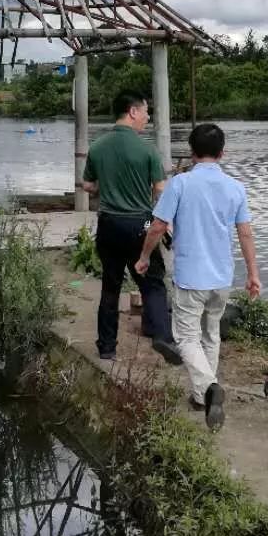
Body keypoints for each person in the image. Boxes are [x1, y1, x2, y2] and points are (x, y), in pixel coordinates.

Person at [135, 122, 261, 430]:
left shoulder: (180, 184)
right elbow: (245, 233)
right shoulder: (236, 188)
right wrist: (253, 275)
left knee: (186, 337)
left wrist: (143, 256)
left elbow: (158, 226)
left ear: (191, 153)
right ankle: (201, 397)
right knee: (211, 334)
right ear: (222, 153)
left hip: (191, 276)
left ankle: (209, 387)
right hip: (221, 277)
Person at [83, 90, 181, 363]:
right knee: (153, 283)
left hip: (109, 223)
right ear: (132, 111)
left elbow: (88, 185)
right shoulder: (148, 150)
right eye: (146, 112)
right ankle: (162, 337)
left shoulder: (97, 147)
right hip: (142, 222)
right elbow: (161, 191)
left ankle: (106, 348)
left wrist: (106, 185)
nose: (147, 118)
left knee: (110, 287)